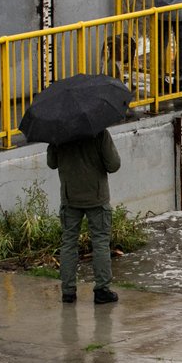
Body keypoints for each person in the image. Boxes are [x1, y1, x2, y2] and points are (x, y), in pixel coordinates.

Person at [47, 129, 122, 304]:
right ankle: (102, 290)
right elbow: (114, 165)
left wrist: (54, 141)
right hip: (96, 196)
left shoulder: (58, 132)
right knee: (101, 242)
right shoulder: (99, 132)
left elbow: (52, 163)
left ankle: (68, 292)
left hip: (70, 197)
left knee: (68, 243)